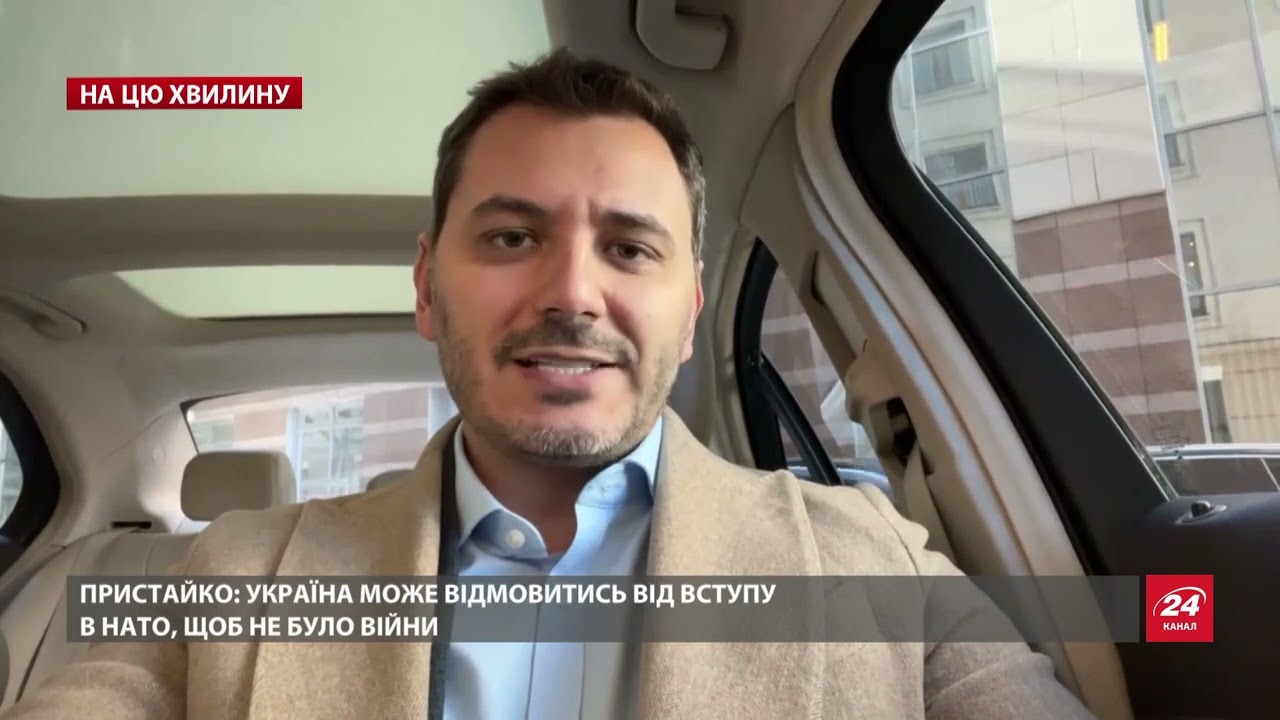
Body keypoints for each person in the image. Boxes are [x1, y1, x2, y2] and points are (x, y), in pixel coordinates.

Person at [2, 48, 1097, 719]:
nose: (572, 292)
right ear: (427, 286)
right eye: (512, 236)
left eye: (628, 248)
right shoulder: (230, 578)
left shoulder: (873, 562)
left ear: (689, 309)